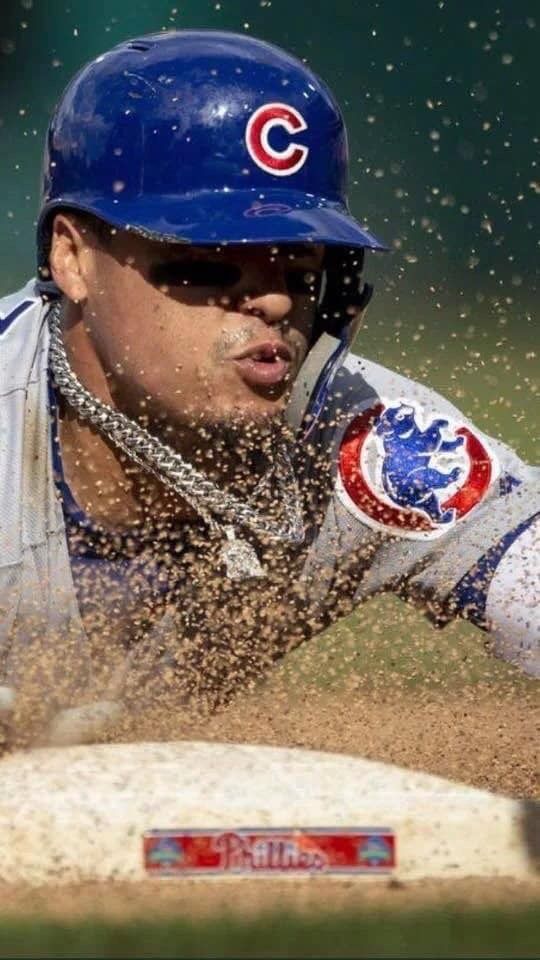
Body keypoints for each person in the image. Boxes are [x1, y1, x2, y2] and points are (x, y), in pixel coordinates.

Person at [0, 30, 537, 747]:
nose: (275, 305)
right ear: (73, 258)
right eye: (209, 263)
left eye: (300, 272)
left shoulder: (372, 451)